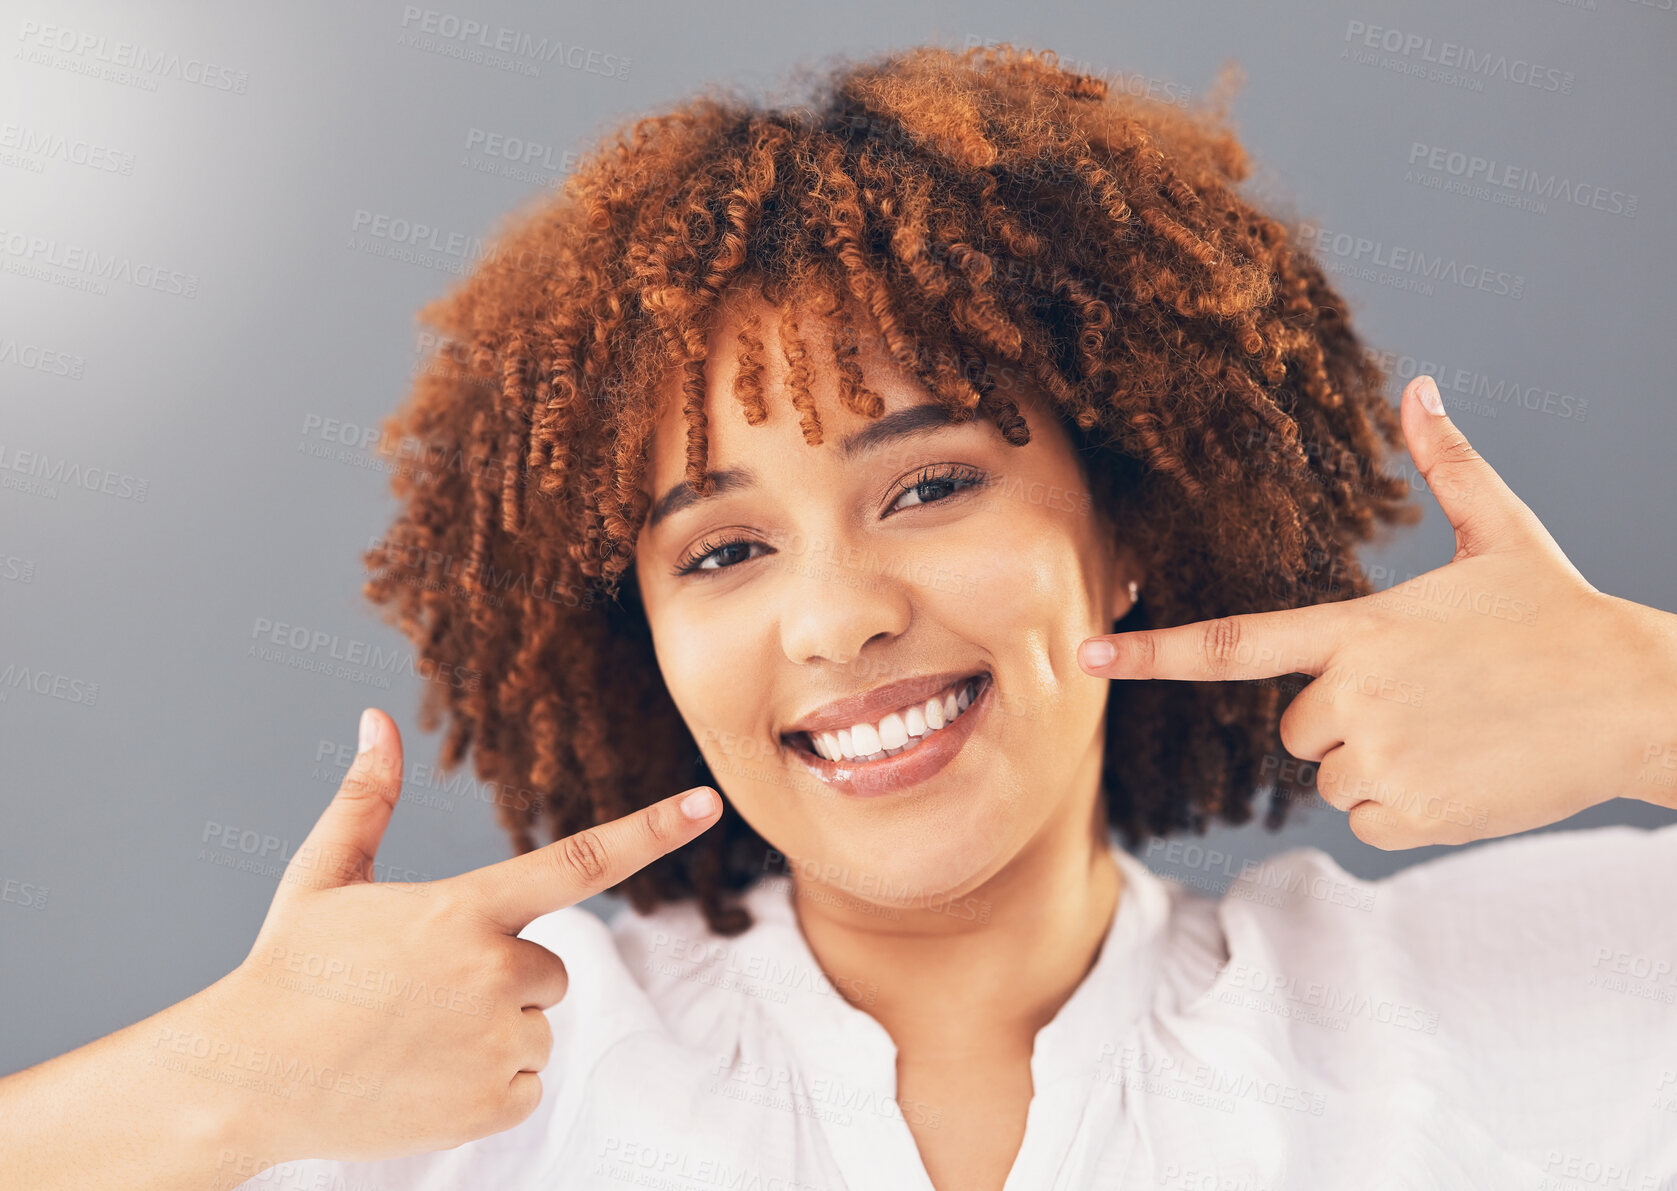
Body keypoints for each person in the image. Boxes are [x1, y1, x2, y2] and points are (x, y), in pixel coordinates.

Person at [5, 43, 1676, 1191]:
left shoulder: (1492, 999)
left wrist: (1641, 698)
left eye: (931, 485)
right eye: (721, 553)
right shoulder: (457, 1090)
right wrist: (234, 1076)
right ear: (638, 644)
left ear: (1128, 531)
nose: (838, 616)